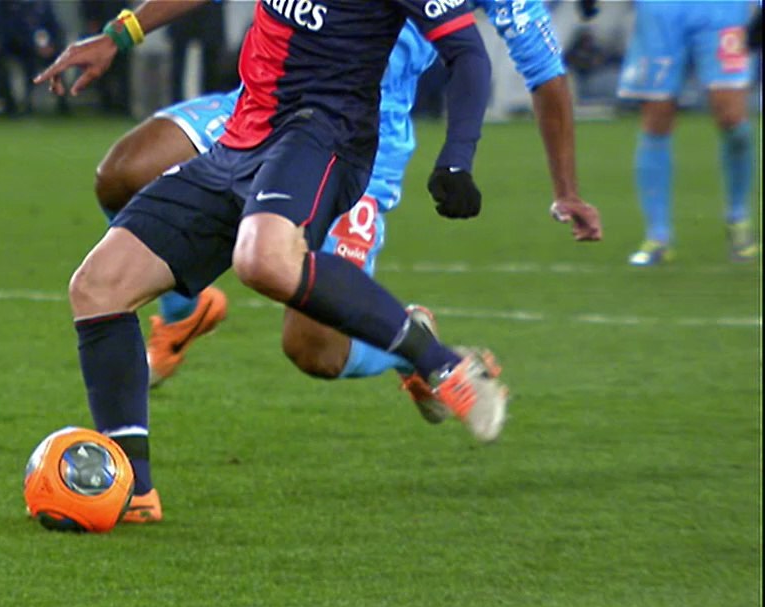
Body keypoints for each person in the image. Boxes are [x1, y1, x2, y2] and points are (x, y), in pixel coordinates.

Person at [35, 0, 506, 525]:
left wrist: (458, 157)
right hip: (242, 136)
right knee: (98, 286)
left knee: (264, 261)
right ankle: (133, 490)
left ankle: (442, 363)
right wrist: (119, 35)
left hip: (324, 136)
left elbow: (468, 52)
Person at [102, 0, 603, 410]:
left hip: (359, 140)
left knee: (313, 349)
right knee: (124, 173)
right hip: (264, 105)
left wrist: (567, 189)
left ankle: (411, 351)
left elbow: (543, 72)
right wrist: (121, 32)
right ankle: (183, 315)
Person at [618, 0, 758, 266]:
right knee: (657, 114)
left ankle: (738, 218)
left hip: (722, 8)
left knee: (732, 117)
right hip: (660, 9)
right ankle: (658, 236)